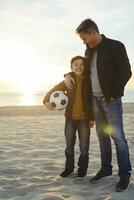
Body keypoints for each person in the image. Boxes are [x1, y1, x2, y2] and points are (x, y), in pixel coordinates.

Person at [64, 19, 132, 192]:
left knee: (118, 138)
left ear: (93, 33)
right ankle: (106, 168)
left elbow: (126, 71)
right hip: (94, 101)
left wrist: (113, 94)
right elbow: (83, 72)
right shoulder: (88, 51)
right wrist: (67, 75)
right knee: (102, 136)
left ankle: (124, 174)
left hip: (111, 100)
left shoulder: (116, 46)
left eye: (84, 38)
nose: (83, 42)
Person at [43, 55, 94, 179]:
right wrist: (46, 101)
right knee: (69, 146)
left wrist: (92, 118)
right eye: (75, 64)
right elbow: (54, 89)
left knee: (84, 147)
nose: (79, 67)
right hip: (70, 119)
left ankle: (82, 170)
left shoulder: (89, 80)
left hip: (84, 120)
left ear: (85, 66)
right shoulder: (68, 80)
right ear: (71, 67)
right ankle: (69, 168)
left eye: (81, 64)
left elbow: (91, 101)